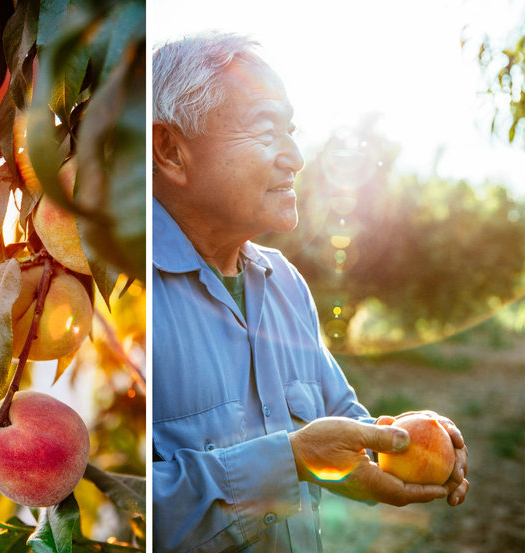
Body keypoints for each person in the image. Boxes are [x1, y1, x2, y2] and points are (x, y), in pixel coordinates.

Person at [151, 32, 470, 553]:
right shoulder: (135, 295)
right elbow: (145, 516)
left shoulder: (286, 286)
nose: (296, 158)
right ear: (170, 150)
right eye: (266, 129)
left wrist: (401, 441)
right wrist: (291, 459)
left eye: (292, 131)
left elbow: (342, 414)